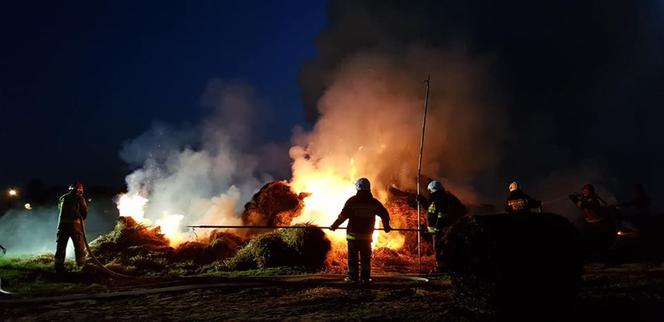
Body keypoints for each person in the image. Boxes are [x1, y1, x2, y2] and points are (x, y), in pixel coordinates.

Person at [330, 178, 391, 284]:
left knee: (353, 258)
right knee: (366, 259)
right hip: (366, 237)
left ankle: (352, 278)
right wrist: (386, 227)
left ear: (357, 187)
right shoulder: (374, 203)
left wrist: (334, 226)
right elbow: (385, 214)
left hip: (353, 237)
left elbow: (342, 217)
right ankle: (365, 278)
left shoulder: (352, 201)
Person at [426, 180, 467, 272]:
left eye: (430, 190)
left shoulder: (441, 199)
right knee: (438, 248)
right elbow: (432, 211)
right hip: (436, 231)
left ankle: (441, 268)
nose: (429, 192)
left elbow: (442, 215)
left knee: (440, 249)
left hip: (439, 230)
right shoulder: (436, 198)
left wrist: (438, 227)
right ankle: (440, 266)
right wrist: (421, 199)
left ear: (434, 190)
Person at [54, 181, 88, 273]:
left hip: (62, 226)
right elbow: (84, 214)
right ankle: (80, 266)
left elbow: (59, 209)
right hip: (75, 226)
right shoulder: (80, 199)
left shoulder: (62, 198)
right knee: (79, 246)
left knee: (61, 246)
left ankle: (58, 267)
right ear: (80, 190)